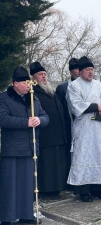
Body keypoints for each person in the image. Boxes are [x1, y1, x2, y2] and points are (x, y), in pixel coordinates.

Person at [0, 66, 49, 225]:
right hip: (12, 149)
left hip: (30, 148)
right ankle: (6, 217)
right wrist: (26, 122)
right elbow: (3, 119)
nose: (28, 85)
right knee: (10, 185)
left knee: (27, 184)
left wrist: (39, 121)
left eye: (29, 82)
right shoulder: (4, 98)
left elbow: (45, 116)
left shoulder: (33, 99)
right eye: (24, 82)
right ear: (15, 83)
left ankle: (26, 214)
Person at [66, 56, 101, 202]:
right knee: (84, 155)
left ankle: (97, 188)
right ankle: (84, 191)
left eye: (92, 69)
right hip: (83, 127)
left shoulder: (99, 85)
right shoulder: (74, 85)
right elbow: (76, 105)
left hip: (98, 128)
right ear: (81, 71)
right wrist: (97, 106)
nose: (90, 72)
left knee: (98, 154)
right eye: (87, 70)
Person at [30, 61, 68, 194]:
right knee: (48, 164)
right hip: (46, 135)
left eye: (45, 74)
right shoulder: (33, 93)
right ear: (34, 77)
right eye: (40, 74)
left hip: (58, 135)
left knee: (58, 164)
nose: (44, 77)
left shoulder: (51, 92)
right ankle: (47, 190)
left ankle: (58, 188)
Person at [55, 58, 80, 186]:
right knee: (68, 152)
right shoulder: (62, 87)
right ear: (71, 72)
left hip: (82, 124)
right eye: (76, 69)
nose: (79, 71)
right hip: (67, 125)